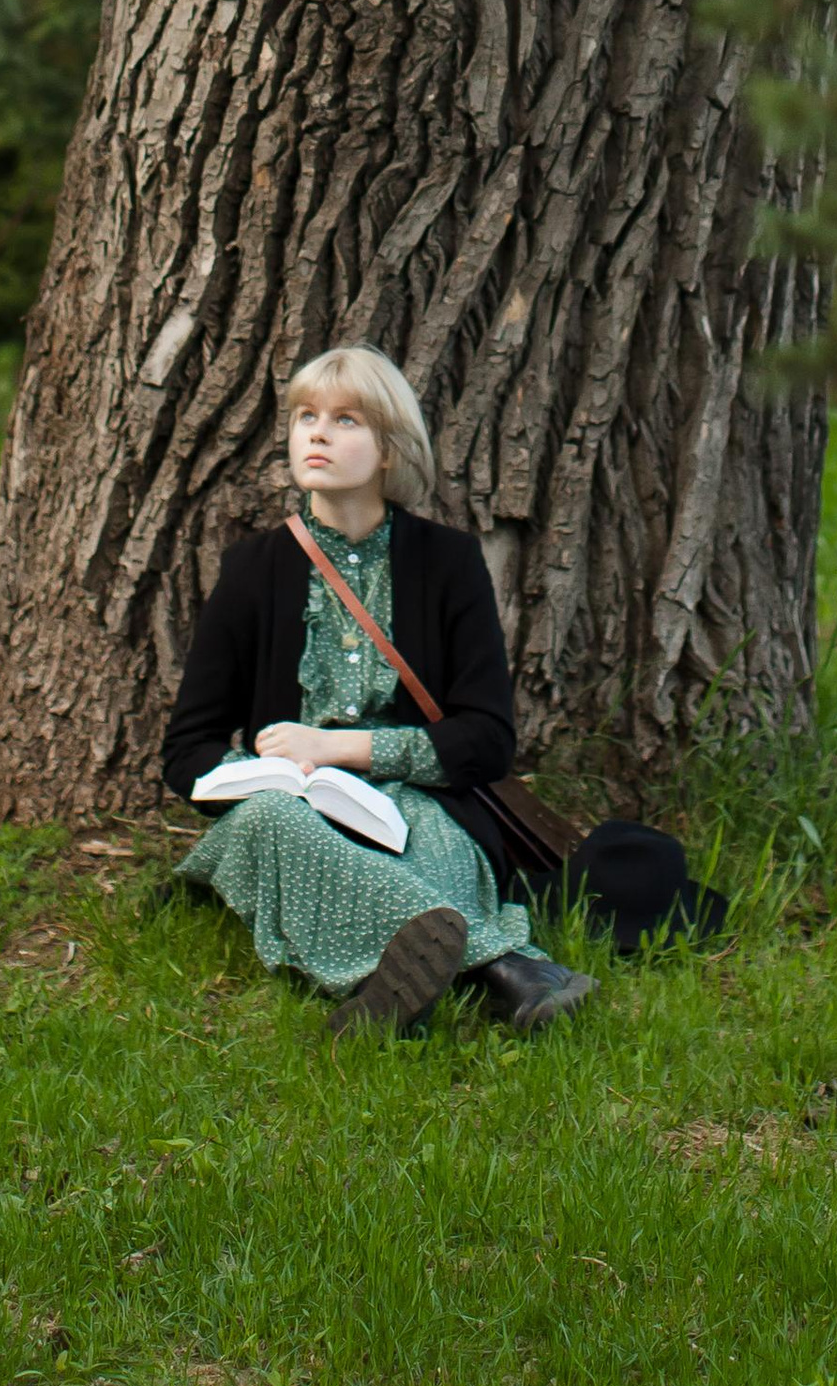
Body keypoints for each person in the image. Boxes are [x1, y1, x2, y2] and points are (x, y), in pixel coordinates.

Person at [161, 345, 597, 1036]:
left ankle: (387, 992)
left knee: (434, 841)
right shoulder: (252, 568)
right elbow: (187, 748)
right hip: (289, 812)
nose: (318, 434)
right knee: (276, 823)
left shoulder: (448, 562)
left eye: (346, 421)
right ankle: (510, 971)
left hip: (417, 801)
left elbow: (486, 740)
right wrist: (268, 773)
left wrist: (340, 747)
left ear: (390, 450)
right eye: (306, 417)